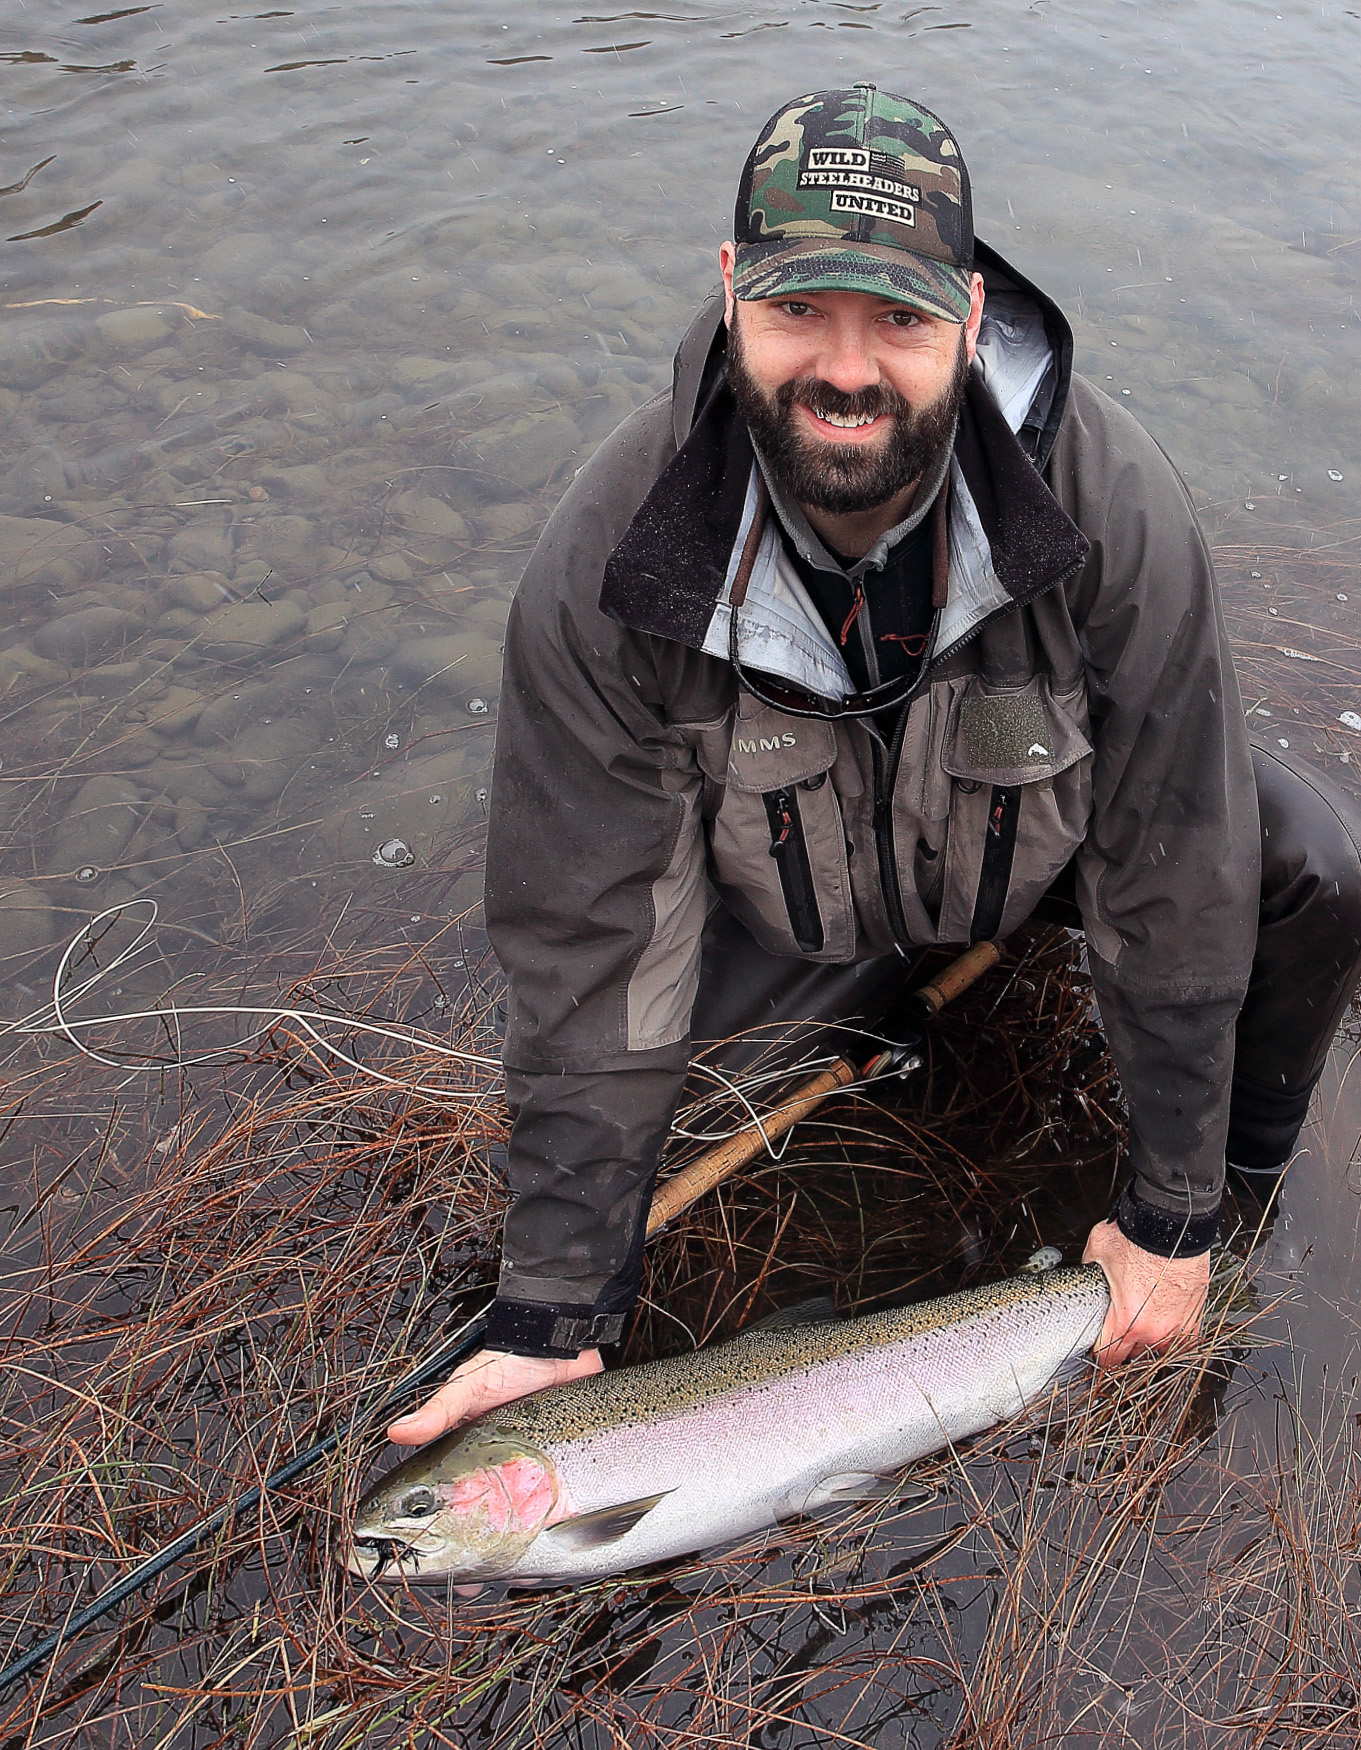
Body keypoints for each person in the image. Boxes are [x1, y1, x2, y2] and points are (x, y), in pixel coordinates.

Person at [389, 86, 1361, 1448]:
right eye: (798, 312)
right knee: (642, 1135)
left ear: (968, 314)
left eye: (897, 319)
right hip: (794, 912)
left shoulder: (1109, 505)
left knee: (1305, 869)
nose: (845, 372)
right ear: (730, 294)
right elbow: (589, 935)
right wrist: (555, 1307)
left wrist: (1172, 1213)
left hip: (1027, 857)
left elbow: (1170, 857)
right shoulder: (612, 556)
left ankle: (1241, 1204)